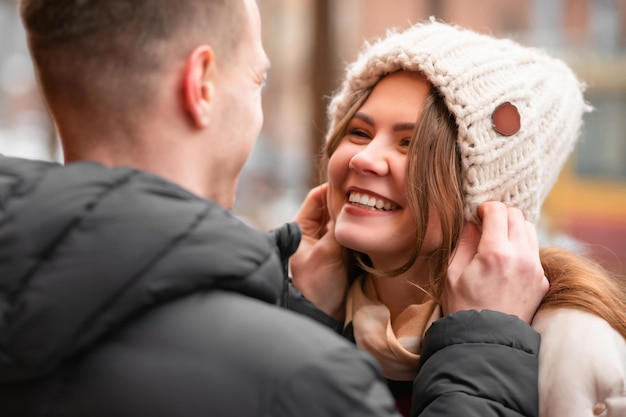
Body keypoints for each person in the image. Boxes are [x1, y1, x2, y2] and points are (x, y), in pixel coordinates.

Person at [0, 2, 547, 416]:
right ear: (201, 85)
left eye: (410, 143)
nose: (366, 159)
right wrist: (486, 350)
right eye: (257, 79)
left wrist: (298, 315)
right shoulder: (305, 383)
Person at [291, 19, 626, 417]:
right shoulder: (298, 302)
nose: (364, 158)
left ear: (485, 196)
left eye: (409, 143)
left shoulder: (571, 348)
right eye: (360, 132)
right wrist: (302, 317)